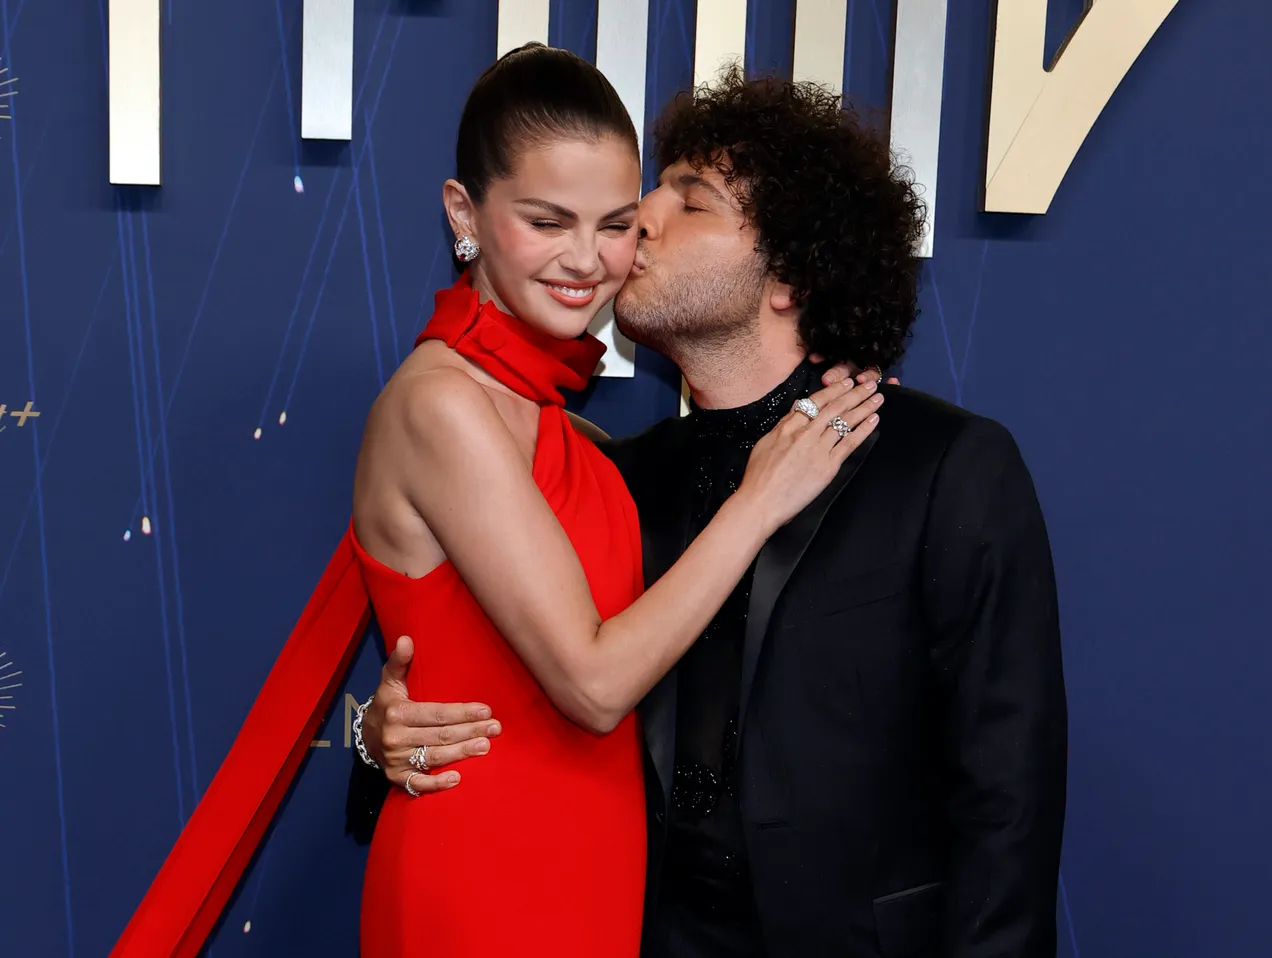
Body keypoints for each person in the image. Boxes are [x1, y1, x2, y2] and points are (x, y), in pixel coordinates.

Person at [108, 45, 882, 958]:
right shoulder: (443, 404)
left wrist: (374, 733)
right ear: (463, 213)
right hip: (484, 880)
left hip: (598, 874)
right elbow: (593, 686)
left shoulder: (576, 436)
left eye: (615, 224)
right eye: (547, 221)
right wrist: (759, 501)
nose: (587, 261)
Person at [351, 68, 1068, 957]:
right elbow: (507, 678)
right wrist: (378, 739)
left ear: (791, 274)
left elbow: (1011, 798)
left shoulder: (943, 469)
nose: (639, 219)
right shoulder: (620, 477)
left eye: (690, 201)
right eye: (644, 196)